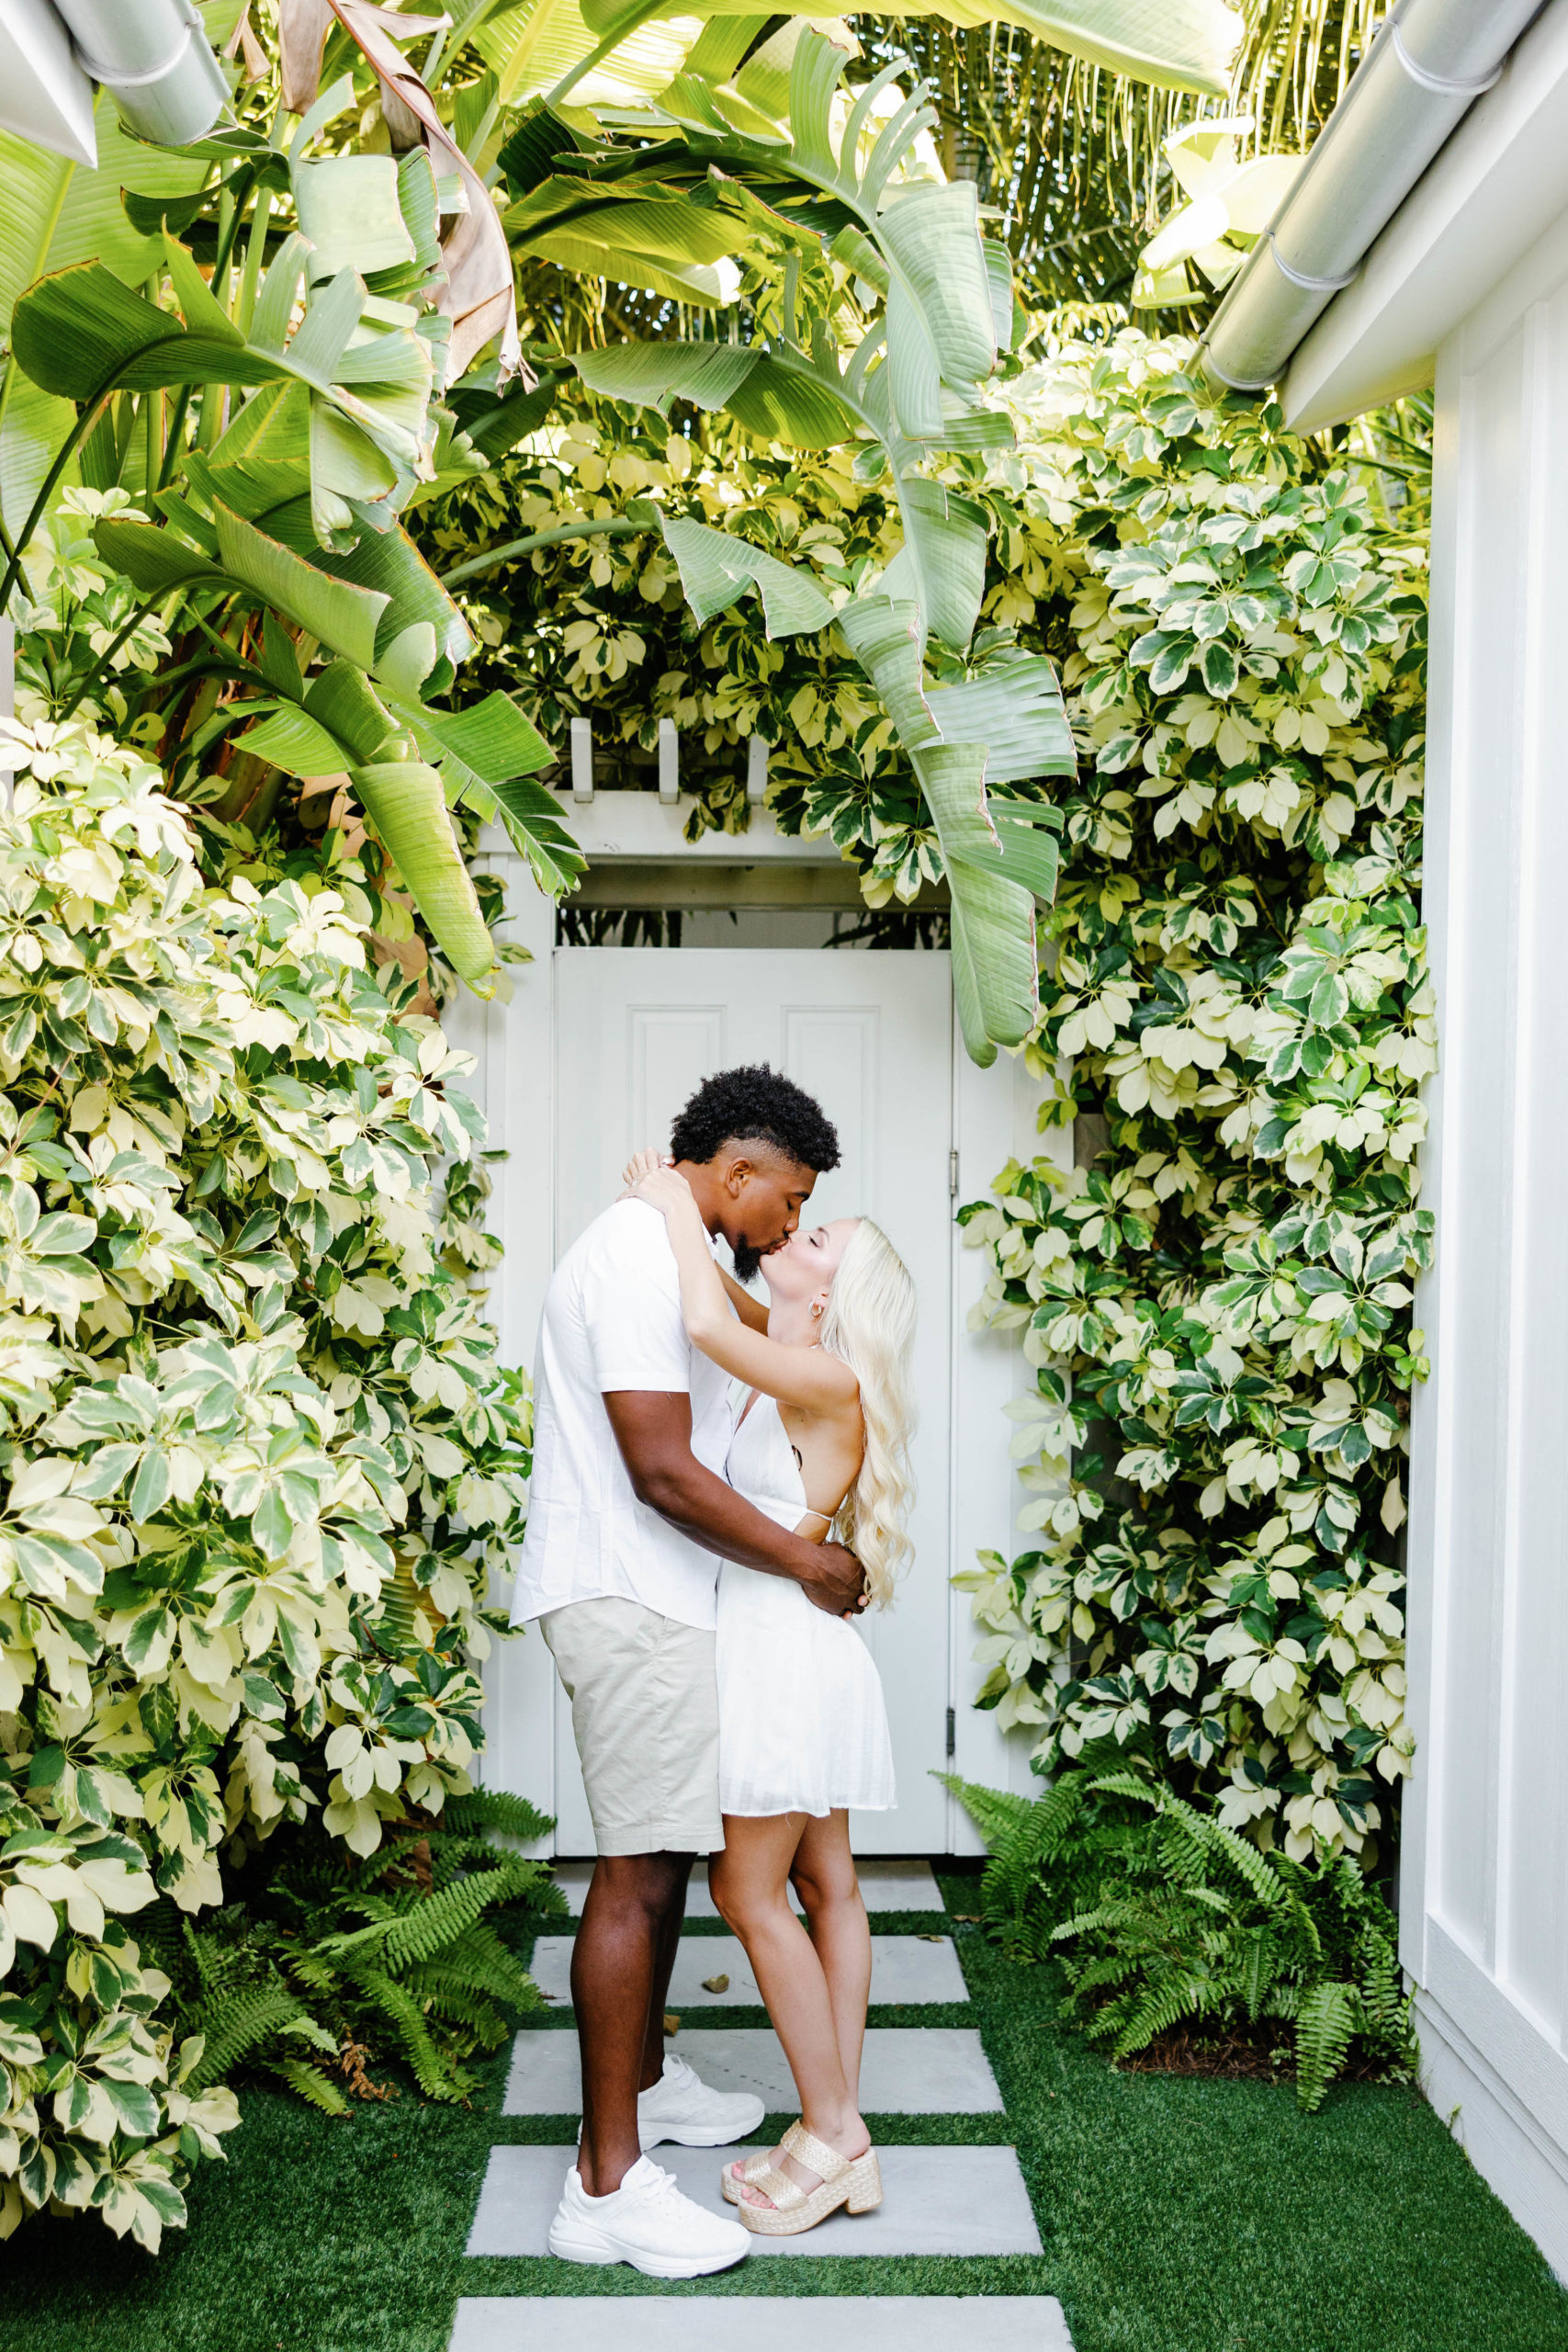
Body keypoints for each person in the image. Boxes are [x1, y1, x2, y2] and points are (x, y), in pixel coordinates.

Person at [513, 1065, 864, 2280]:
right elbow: (659, 1467)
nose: (787, 1221)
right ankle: (605, 2190)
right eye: (790, 1197)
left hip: (656, 1594)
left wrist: (677, 1209)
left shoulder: (665, 1248)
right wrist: (802, 1564)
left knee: (658, 1862)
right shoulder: (628, 1257)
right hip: (626, 1591)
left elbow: (737, 1334)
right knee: (635, 1879)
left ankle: (644, 2090)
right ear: (740, 1174)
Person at [623, 1145, 917, 2241]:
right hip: (787, 1645)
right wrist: (685, 1210)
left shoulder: (823, 1377)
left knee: (752, 1895)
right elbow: (729, 1310)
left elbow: (706, 1325)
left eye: (824, 1235)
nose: (804, 1226)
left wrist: (667, 1203)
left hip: (781, 1657)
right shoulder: (784, 1354)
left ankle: (837, 2135)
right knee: (828, 1881)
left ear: (834, 1289)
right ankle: (828, 2125)